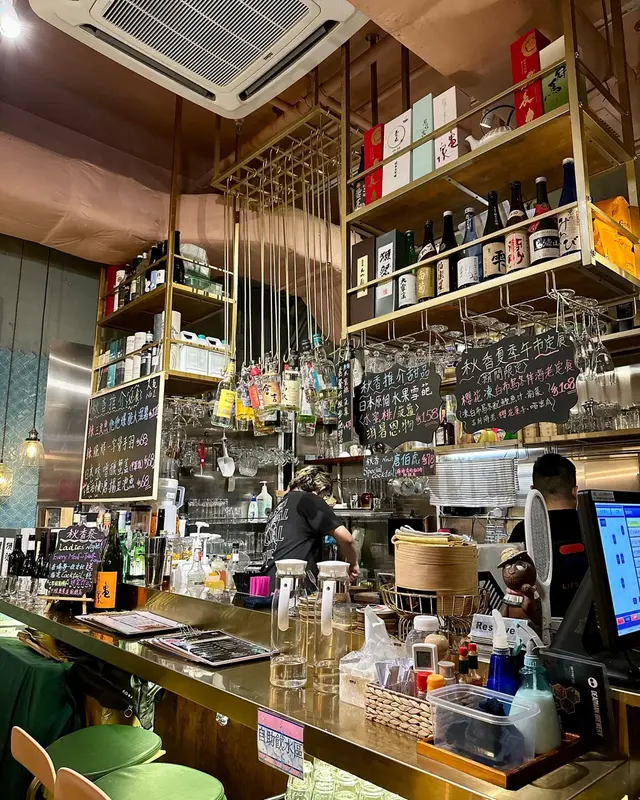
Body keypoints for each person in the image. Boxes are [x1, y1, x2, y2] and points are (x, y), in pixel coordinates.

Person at [509, 453, 587, 617]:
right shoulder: (594, 523)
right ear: (575, 492)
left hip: (542, 626)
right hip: (598, 626)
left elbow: (514, 594)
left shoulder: (522, 531)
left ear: (533, 492)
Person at [262, 465, 359, 588]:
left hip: (271, 583)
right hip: (295, 586)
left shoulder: (281, 504)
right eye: (324, 496)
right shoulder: (310, 499)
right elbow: (347, 539)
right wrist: (353, 564)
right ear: (321, 488)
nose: (324, 500)